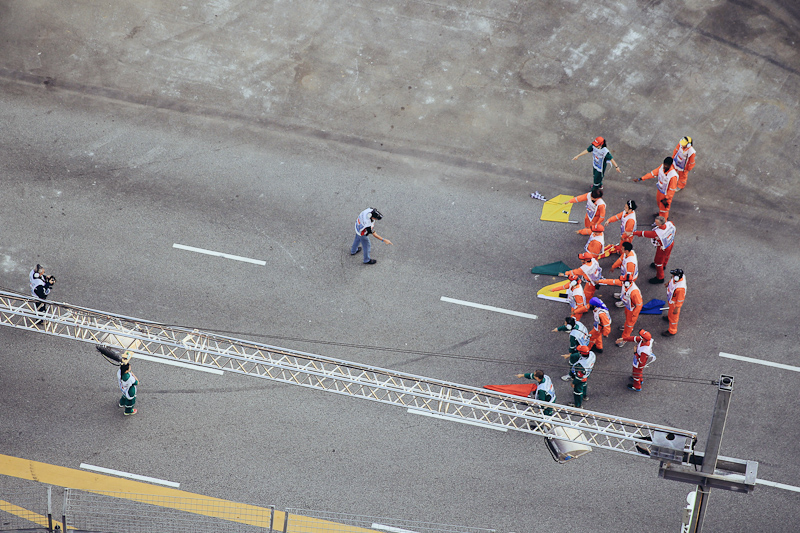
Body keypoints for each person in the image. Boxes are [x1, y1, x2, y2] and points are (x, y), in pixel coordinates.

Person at [597, 273, 643, 346]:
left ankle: (624, 338)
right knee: (627, 320)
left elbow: (639, 305)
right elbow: (613, 281)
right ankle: (626, 327)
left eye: (623, 280)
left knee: (629, 324)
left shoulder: (634, 292)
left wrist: (634, 314)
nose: (621, 281)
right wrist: (600, 281)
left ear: (627, 282)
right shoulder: (625, 284)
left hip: (632, 310)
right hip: (628, 307)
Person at [628, 215, 676, 284]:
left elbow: (644, 233)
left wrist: (632, 233)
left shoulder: (657, 233)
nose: (654, 223)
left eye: (656, 222)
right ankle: (664, 265)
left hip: (662, 248)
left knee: (658, 262)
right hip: (670, 243)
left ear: (660, 224)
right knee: (667, 256)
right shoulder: (670, 223)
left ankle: (660, 277)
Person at [553, 316, 590, 381]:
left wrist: (570, 355)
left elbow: (572, 347)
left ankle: (571, 375)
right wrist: (558, 329)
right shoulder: (578, 323)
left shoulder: (573, 335)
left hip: (579, 347)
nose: (564, 323)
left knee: (573, 361)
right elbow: (567, 327)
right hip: (586, 341)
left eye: (566, 323)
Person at [662, 268, 687, 337]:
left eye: (673, 275)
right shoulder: (677, 279)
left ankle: (672, 331)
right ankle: (669, 317)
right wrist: (668, 284)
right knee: (670, 312)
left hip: (675, 304)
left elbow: (680, 299)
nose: (672, 276)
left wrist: (677, 308)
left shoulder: (680, 289)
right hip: (671, 301)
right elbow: (672, 281)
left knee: (674, 318)